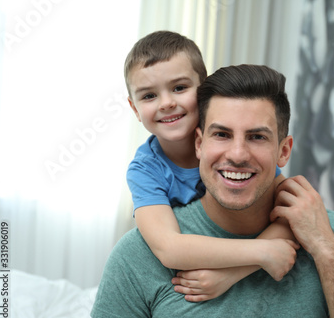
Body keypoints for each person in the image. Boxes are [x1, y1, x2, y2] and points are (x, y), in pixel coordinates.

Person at [91, 64, 334, 318]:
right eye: (222, 134)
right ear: (199, 144)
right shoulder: (138, 255)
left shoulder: (332, 235)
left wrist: (323, 245)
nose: (237, 155)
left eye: (257, 137)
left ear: (283, 150)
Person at [124, 30, 299, 302]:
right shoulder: (145, 170)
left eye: (179, 88)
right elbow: (169, 248)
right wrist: (260, 253)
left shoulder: (236, 152)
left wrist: (229, 274)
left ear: (203, 91)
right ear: (134, 108)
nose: (167, 103)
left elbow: (288, 214)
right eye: (148, 96)